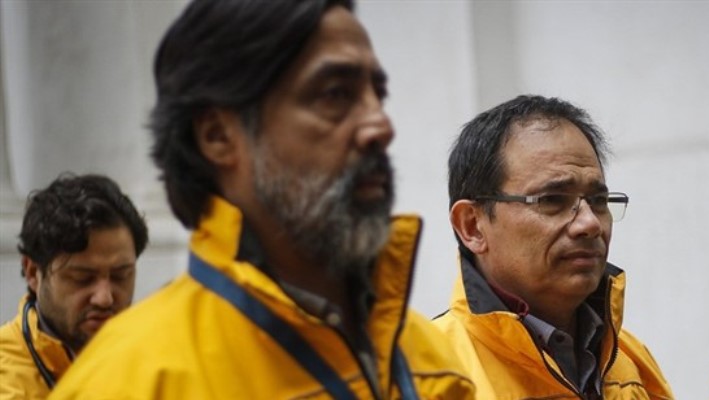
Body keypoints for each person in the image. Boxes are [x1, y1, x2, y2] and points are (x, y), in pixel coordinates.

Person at [50, 0, 474, 398]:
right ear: (218, 135)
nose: (380, 125)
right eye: (335, 95)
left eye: (377, 94)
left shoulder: (430, 361)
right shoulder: (128, 382)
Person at [434, 95, 674, 399]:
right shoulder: (428, 373)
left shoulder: (630, 361)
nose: (590, 223)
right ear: (472, 225)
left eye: (598, 201)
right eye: (552, 200)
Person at [0, 174, 148, 399]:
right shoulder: (7, 379)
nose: (104, 298)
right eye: (82, 278)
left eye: (120, 276)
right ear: (32, 272)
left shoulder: (159, 360)